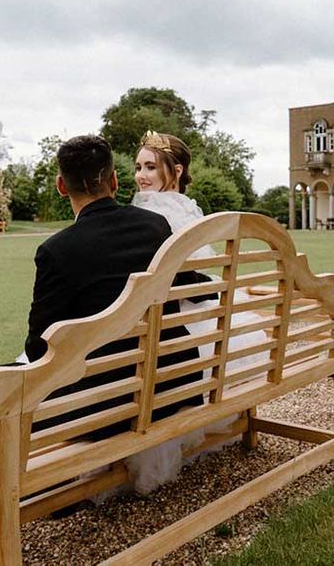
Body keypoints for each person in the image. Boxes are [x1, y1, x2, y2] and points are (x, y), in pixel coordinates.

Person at [23, 134, 203, 438]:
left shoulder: (56, 250)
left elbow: (39, 348)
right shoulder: (156, 226)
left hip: (105, 404)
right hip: (173, 382)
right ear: (115, 181)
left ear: (61, 186)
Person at [126, 130, 269, 493]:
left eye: (151, 168)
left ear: (174, 171)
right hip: (198, 310)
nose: (141, 176)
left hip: (171, 318)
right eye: (139, 167)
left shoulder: (150, 212)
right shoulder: (190, 209)